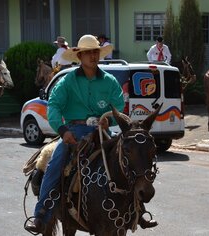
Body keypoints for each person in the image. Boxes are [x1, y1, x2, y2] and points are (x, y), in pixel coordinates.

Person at [25, 34, 155, 234]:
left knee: (127, 160)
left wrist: (110, 119)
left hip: (103, 131)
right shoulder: (67, 81)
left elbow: (118, 106)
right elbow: (54, 106)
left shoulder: (110, 81)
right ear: (79, 56)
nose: (93, 56)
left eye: (95, 51)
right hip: (74, 132)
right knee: (55, 163)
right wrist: (63, 131)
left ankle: (137, 210)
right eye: (88, 53)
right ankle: (42, 215)